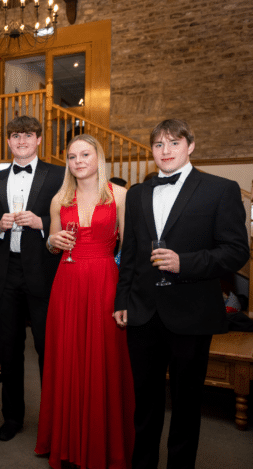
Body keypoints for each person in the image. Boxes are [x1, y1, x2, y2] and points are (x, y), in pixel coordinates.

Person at [114, 119, 249, 469]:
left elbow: (236, 251)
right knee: (144, 403)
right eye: (158, 145)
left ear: (191, 146)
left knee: (187, 406)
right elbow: (129, 253)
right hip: (142, 312)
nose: (166, 151)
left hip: (192, 313)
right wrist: (122, 301)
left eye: (174, 143)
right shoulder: (138, 193)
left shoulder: (221, 189)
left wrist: (184, 263)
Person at [35, 134, 134, 468]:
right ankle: (67, 441)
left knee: (104, 357)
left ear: (98, 157)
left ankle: (104, 441)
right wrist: (52, 240)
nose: (78, 161)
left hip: (106, 280)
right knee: (68, 357)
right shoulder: (59, 200)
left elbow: (131, 251)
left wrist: (127, 296)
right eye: (72, 156)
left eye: (85, 154)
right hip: (69, 281)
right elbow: (51, 244)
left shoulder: (120, 195)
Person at [0, 115, 64, 441]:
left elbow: (69, 216)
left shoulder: (58, 175)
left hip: (43, 272)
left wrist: (41, 221)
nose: (21, 141)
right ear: (9, 141)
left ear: (39, 139)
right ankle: (12, 418)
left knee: (48, 349)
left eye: (28, 136)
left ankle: (53, 420)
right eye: (15, 136)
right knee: (9, 349)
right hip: (5, 273)